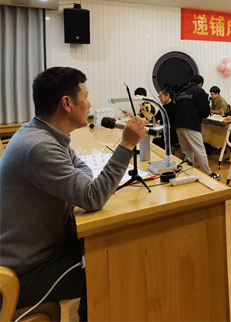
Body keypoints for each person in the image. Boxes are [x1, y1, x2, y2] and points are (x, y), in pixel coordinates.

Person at [0, 67, 146, 321]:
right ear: (67, 103)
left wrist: (74, 192)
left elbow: (82, 168)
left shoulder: (45, 133)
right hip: (23, 270)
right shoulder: (39, 146)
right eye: (85, 97)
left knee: (106, 247)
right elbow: (93, 197)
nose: (89, 104)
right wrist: (126, 144)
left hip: (41, 252)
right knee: (107, 267)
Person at [174, 75, 218, 178]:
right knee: (200, 151)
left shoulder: (180, 92)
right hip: (191, 125)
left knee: (187, 151)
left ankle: (188, 173)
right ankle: (208, 174)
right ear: (200, 84)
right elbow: (204, 111)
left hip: (178, 125)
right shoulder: (198, 90)